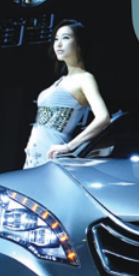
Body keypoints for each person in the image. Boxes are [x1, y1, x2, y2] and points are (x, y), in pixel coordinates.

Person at [22, 19, 110, 169]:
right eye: (56, 39)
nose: (58, 44)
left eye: (65, 38)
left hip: (52, 157)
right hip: (33, 158)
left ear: (79, 43)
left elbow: (103, 118)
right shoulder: (60, 81)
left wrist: (69, 147)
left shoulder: (85, 78)